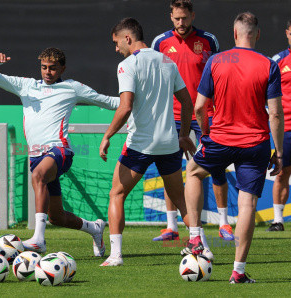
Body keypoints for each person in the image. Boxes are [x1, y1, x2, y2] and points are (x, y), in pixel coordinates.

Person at [0, 48, 120, 256]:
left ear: (62, 68)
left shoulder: (72, 88)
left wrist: (137, 102)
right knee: (56, 217)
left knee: (38, 176)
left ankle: (39, 240)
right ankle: (94, 228)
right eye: (44, 67)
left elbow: (109, 101)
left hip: (60, 151)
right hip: (37, 156)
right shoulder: (27, 85)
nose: (47, 72)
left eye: (53, 68)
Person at [183, 12, 283, 283]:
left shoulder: (216, 60)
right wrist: (280, 152)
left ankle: (195, 237)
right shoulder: (268, 65)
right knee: (247, 203)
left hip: (220, 138)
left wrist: (205, 134)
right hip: (256, 144)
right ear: (257, 34)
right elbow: (275, 114)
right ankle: (238, 271)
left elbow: (200, 107)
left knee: (192, 173)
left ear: (234, 33)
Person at [99, 17, 196, 266]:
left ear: (128, 39)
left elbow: (125, 107)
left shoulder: (127, 65)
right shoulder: (167, 60)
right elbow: (187, 102)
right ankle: (200, 245)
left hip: (141, 145)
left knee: (116, 194)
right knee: (181, 199)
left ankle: (116, 255)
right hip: (169, 143)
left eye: (116, 42)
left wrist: (108, 135)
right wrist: (183, 135)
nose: (115, 48)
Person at [151, 0, 234, 243]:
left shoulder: (209, 40)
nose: (181, 23)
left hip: (205, 114)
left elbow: (220, 75)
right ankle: (171, 226)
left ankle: (224, 224)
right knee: (171, 170)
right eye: (177, 18)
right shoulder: (160, 43)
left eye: (185, 18)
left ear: (192, 16)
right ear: (171, 17)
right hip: (172, 115)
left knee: (216, 166)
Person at [269, 20, 291, 232]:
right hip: (287, 128)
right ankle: (278, 220)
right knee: (282, 172)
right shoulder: (277, 61)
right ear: (287, 33)